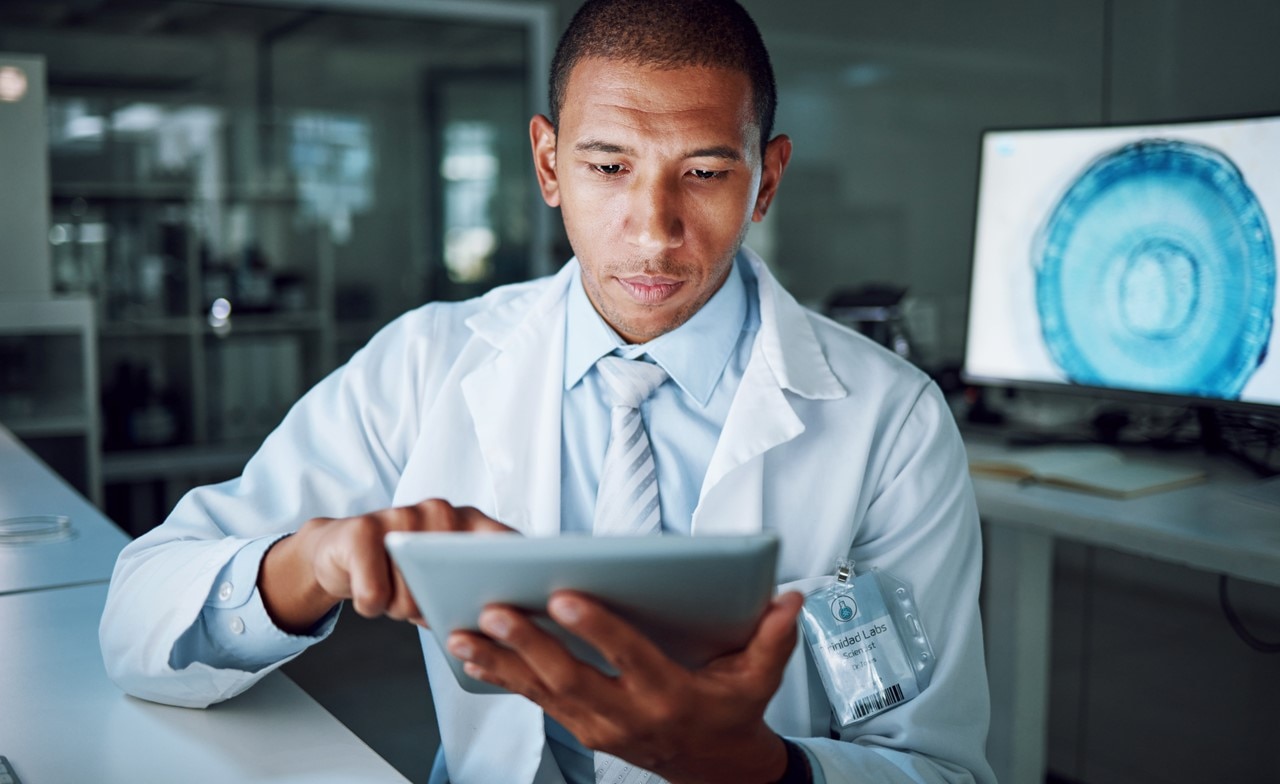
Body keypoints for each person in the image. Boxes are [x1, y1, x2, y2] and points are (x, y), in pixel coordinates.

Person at [100, 1, 994, 782]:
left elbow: (941, 766)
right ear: (549, 164)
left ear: (767, 178)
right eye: (609, 167)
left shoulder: (891, 421)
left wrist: (757, 771)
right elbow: (136, 618)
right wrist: (311, 563)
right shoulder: (426, 363)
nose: (654, 231)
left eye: (705, 172)